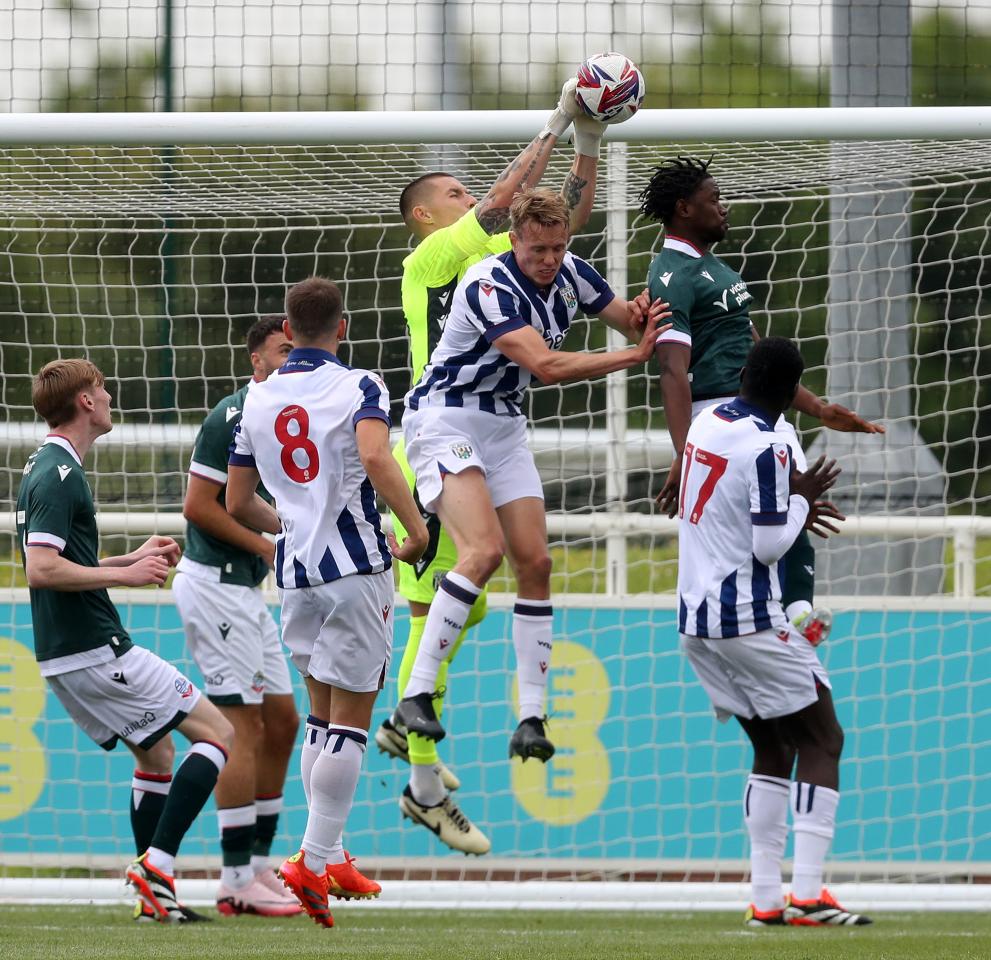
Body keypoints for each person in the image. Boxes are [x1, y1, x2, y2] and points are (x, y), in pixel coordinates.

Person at [373, 77, 606, 854]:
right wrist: (562, 117)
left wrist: (586, 142)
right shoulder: (436, 256)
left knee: (468, 598)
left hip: (492, 423)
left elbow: (550, 217)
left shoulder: (518, 257)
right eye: (454, 190)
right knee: (437, 596)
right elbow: (514, 197)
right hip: (436, 433)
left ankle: (419, 746)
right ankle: (422, 773)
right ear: (424, 215)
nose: (474, 196)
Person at [394, 188, 668, 764]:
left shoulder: (571, 270)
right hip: (444, 417)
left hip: (503, 426)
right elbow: (543, 365)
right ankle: (415, 695)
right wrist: (633, 356)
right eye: (537, 248)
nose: (548, 258)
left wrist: (656, 307)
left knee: (536, 563)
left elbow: (626, 319)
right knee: (483, 552)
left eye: (557, 247)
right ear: (514, 239)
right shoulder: (488, 283)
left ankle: (532, 718)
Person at [226, 277, 430, 927]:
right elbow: (375, 454)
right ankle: (312, 862)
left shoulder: (255, 397)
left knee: (321, 717)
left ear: (287, 331)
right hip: (356, 568)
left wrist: (292, 522)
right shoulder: (361, 385)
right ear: (341, 328)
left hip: (293, 572)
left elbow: (236, 502)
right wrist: (417, 525)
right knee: (351, 719)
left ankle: (330, 850)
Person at [16, 358, 234, 923]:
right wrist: (124, 576)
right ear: (86, 402)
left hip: (71, 651)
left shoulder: (49, 466)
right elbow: (40, 569)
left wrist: (130, 558)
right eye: (102, 388)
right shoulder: (58, 474)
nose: (109, 396)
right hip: (92, 647)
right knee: (217, 733)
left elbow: (66, 562)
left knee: (158, 753)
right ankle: (156, 865)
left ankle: (154, 900)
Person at [638, 156, 884, 643]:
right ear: (685, 208)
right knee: (770, 521)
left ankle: (795, 618)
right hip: (722, 419)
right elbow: (672, 369)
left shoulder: (715, 268)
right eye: (714, 201)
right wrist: (685, 451)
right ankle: (769, 626)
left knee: (794, 508)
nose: (724, 208)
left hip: (759, 414)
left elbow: (755, 355)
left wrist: (816, 408)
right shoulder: (671, 277)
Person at [675, 337, 868, 927]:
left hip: (695, 621)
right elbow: (769, 544)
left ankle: (765, 899)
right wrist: (802, 502)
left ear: (741, 379)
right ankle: (807, 893)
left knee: (773, 745)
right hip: (747, 618)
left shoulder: (706, 425)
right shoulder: (768, 445)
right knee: (822, 738)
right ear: (790, 394)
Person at [172, 315, 302, 917]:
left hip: (246, 592)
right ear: (255, 361)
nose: (289, 357)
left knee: (283, 721)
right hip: (216, 587)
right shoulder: (233, 414)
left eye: (295, 347)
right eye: (280, 349)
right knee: (240, 726)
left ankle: (256, 866)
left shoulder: (294, 418)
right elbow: (200, 507)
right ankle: (232, 879)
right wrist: (270, 547)